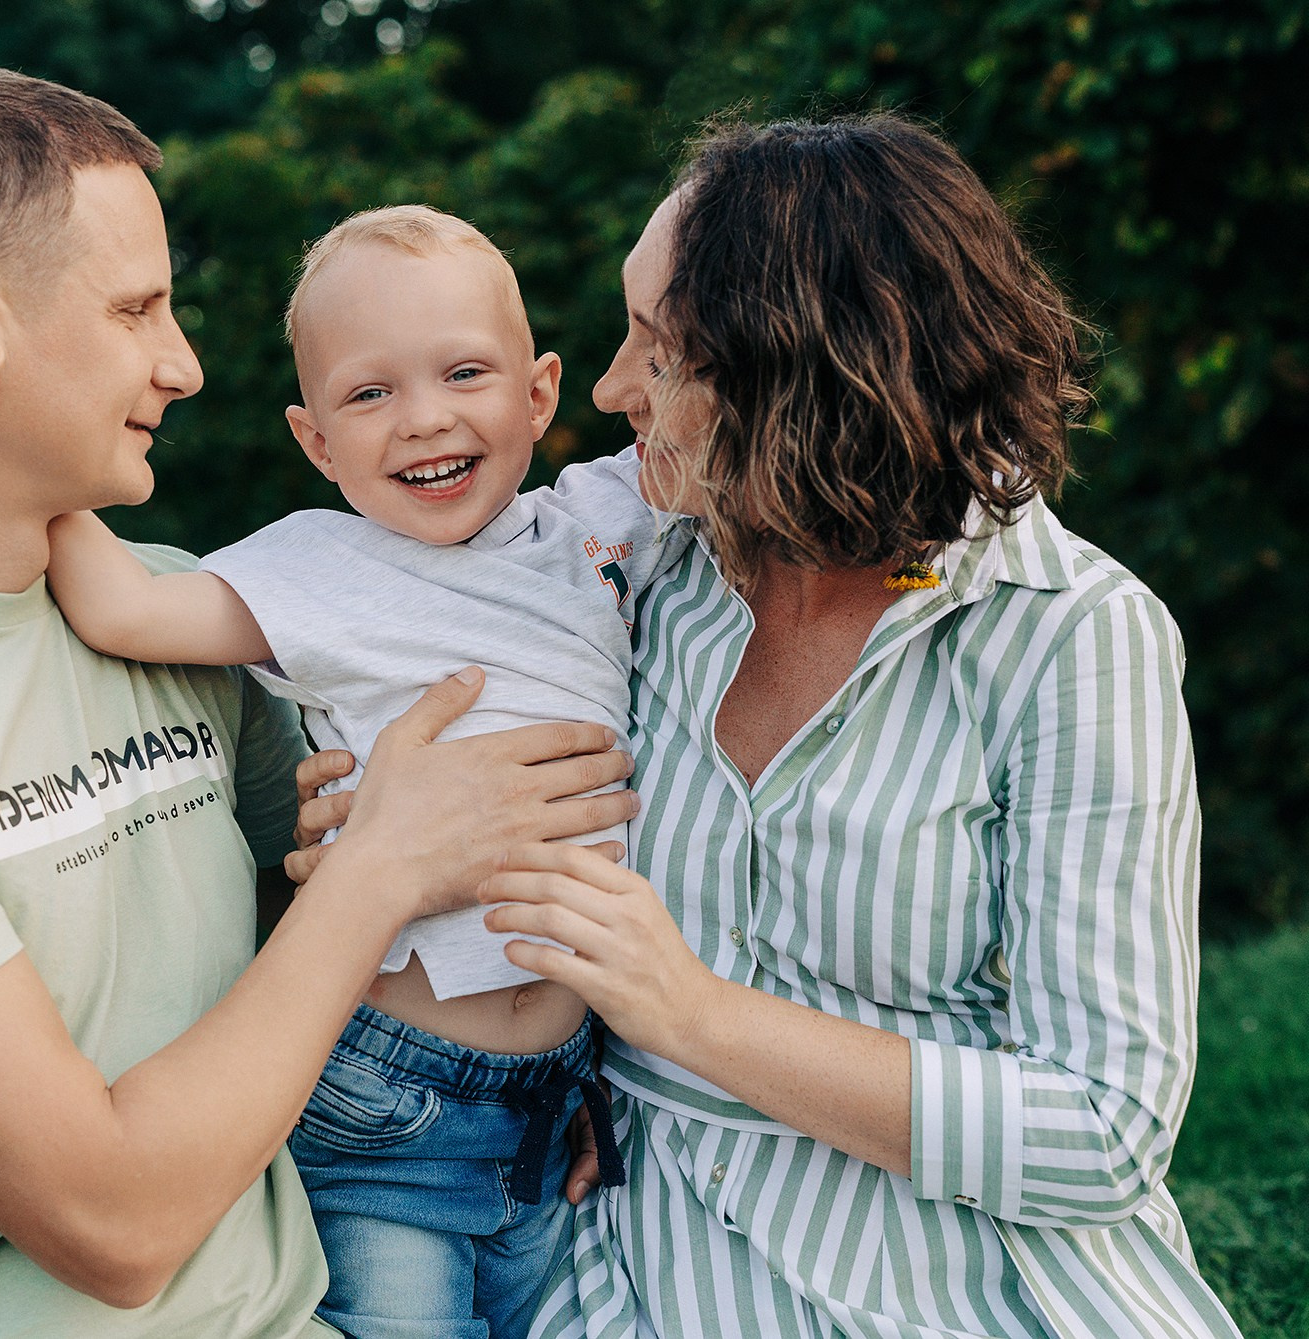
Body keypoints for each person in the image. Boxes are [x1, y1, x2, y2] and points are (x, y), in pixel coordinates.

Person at [0, 67, 639, 1337]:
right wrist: (381, 865)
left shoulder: (174, 612)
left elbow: (345, 913)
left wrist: (519, 1072)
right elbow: (111, 1225)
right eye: (136, 309)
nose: (184, 364)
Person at [463, 115, 1243, 1337]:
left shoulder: (1068, 634)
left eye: (655, 355)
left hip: (969, 1281)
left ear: (797, 380)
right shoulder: (637, 573)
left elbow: (1102, 1129)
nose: (609, 388)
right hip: (646, 1260)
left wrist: (693, 1017)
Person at [44, 204, 679, 1338]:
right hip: (392, 1101)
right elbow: (121, 606)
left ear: (538, 395)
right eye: (368, 394)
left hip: (561, 1100)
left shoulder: (597, 519)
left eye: (464, 372)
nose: (423, 419)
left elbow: (749, 415)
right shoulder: (317, 565)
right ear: (316, 442)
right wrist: (35, 446)